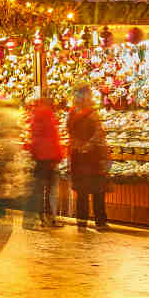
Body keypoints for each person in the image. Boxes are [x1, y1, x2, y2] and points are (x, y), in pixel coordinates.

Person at [66, 90, 110, 230]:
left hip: (77, 158)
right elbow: (98, 134)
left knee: (82, 192)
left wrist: (77, 147)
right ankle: (100, 222)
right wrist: (91, 147)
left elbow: (70, 134)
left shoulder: (71, 114)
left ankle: (81, 222)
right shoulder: (92, 114)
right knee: (98, 191)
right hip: (92, 159)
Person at [23, 97, 64, 230]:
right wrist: (58, 155)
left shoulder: (37, 116)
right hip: (47, 158)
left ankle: (41, 219)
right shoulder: (47, 116)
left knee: (40, 191)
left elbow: (38, 138)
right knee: (45, 191)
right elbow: (52, 138)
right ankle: (39, 220)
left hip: (42, 158)